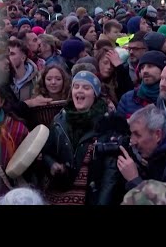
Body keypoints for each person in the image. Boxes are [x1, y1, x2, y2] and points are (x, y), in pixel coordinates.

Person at [41, 71, 128, 205]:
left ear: (95, 94)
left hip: (93, 196)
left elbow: (110, 174)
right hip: (62, 193)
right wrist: (52, 164)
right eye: (76, 86)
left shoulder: (109, 123)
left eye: (86, 88)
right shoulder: (59, 120)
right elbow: (47, 152)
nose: (79, 90)